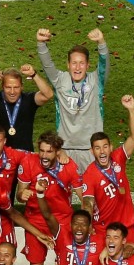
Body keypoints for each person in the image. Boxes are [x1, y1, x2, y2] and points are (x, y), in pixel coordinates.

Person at [15, 131, 81, 265]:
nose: (44, 155)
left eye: (49, 152)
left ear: (57, 151)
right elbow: (20, 193)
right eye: (42, 150)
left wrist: (89, 214)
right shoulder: (28, 162)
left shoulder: (68, 166)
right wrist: (22, 194)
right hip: (35, 220)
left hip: (62, 221)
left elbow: (83, 193)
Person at [36, 27, 111, 172]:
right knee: (63, 193)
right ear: (68, 64)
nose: (77, 67)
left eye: (81, 63)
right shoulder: (60, 80)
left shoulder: (96, 81)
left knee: (92, 193)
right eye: (74, 63)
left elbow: (104, 66)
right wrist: (41, 44)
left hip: (91, 149)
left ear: (88, 65)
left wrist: (101, 43)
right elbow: (47, 65)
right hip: (64, 149)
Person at [81, 95, 134, 240]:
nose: (102, 152)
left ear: (111, 148)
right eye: (97, 148)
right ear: (92, 151)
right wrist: (87, 224)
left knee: (131, 261)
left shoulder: (118, 157)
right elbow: (88, 202)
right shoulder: (90, 174)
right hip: (104, 229)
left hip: (127, 225)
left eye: (105, 147)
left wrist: (131, 110)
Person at [0, 66, 54, 151]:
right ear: (2, 86)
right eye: (8, 87)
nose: (12, 92)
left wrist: (34, 75)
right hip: (0, 155)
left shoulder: (29, 99)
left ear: (22, 87)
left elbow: (48, 94)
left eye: (16, 87)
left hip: (24, 155)